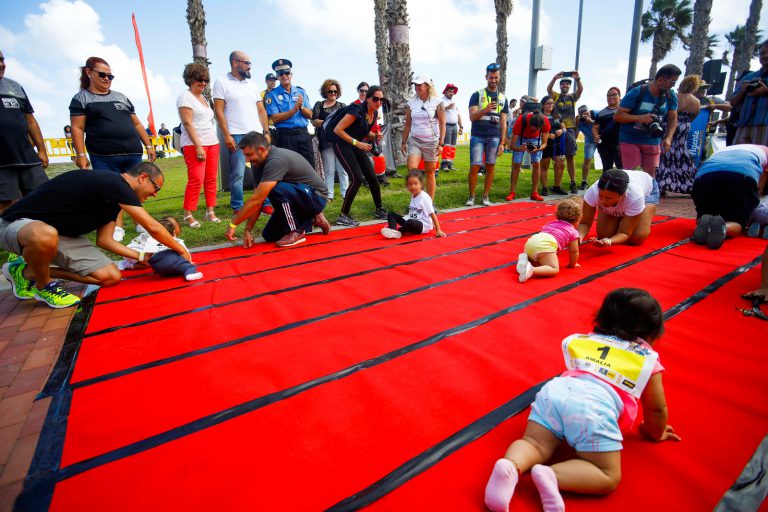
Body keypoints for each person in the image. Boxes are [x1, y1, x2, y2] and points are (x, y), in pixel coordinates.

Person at [484, 288, 679, 512]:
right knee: (606, 475)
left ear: (602, 318)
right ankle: (552, 475)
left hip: (556, 391)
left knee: (534, 443)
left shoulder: (590, 340)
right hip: (594, 408)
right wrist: (655, 432)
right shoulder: (646, 361)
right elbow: (657, 409)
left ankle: (510, 465)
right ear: (652, 334)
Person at [0, 162, 190, 308]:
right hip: (17, 225)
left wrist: (142, 256)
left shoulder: (114, 199)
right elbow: (152, 226)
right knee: (45, 233)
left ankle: (25, 272)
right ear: (142, 177)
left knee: (110, 277)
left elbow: (104, 240)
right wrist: (180, 249)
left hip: (59, 235)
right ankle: (44, 287)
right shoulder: (114, 183)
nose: (155, 195)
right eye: (156, 188)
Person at [69, 56, 155, 242]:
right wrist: (81, 154)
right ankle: (116, 226)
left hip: (132, 152)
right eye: (102, 74)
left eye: (110, 76)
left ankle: (141, 222)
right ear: (88, 72)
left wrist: (148, 145)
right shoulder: (81, 99)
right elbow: (77, 127)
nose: (107, 79)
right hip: (103, 155)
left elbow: (137, 123)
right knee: (110, 192)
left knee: (136, 189)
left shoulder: (121, 97)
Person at [225, 132, 330, 247]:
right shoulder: (258, 162)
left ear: (261, 149)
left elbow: (257, 199)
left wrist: (233, 224)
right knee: (270, 235)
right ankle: (312, 218)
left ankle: (296, 231)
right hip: (301, 197)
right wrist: (248, 230)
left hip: (317, 197)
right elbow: (257, 200)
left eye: (249, 155)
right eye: (245, 155)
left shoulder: (276, 160)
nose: (246, 160)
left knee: (275, 188)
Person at [212, 51, 271, 215]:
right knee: (237, 174)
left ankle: (265, 203)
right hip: (236, 135)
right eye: (246, 63)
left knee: (261, 172)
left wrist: (265, 131)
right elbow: (219, 111)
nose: (249, 66)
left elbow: (261, 110)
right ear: (235, 63)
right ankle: (238, 207)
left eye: (249, 63)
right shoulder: (221, 82)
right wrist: (226, 135)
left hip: (256, 134)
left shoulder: (252, 84)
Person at [329, 85, 389, 226]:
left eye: (382, 100)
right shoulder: (356, 110)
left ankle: (379, 209)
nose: (379, 102)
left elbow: (360, 130)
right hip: (341, 143)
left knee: (372, 177)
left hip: (355, 144)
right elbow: (338, 130)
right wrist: (357, 143)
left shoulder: (373, 114)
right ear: (367, 98)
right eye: (376, 99)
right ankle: (343, 215)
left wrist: (374, 135)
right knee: (357, 178)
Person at [691, 144, 768, 250]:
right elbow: (761, 184)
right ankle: (724, 228)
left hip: (703, 177)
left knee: (705, 214)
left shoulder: (725, 150)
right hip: (741, 175)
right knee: (736, 221)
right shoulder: (765, 152)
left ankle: (702, 224)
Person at [0, 50, 49, 216]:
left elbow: (30, 121)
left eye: (2, 60)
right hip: (2, 162)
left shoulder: (15, 87)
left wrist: (42, 150)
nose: (1, 64)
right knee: (7, 203)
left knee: (44, 195)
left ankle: (40, 236)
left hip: (27, 157)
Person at [614, 64, 680, 177]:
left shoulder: (671, 96)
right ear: (660, 80)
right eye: (672, 82)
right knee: (631, 174)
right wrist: (639, 118)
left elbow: (673, 118)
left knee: (650, 175)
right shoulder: (638, 92)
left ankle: (649, 194)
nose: (673, 86)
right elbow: (618, 116)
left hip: (653, 140)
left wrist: (669, 137)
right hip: (630, 138)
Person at [177, 62, 221, 228]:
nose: (203, 83)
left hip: (212, 142)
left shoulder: (203, 97)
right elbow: (187, 123)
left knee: (211, 179)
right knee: (196, 179)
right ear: (190, 79)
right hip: (194, 144)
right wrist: (198, 146)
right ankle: (188, 214)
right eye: (199, 80)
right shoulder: (185, 97)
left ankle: (210, 211)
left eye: (205, 80)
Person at [578, 168, 659, 248]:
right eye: (600, 196)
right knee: (604, 234)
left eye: (608, 198)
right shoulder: (593, 191)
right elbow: (584, 223)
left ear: (622, 195)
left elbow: (625, 233)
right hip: (626, 194)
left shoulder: (635, 196)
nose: (603, 201)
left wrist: (609, 241)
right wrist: (579, 237)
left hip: (648, 192)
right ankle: (617, 214)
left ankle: (623, 214)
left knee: (637, 237)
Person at [467, 63, 508, 207]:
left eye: (496, 77)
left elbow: (504, 122)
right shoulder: (477, 95)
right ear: (486, 77)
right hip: (478, 135)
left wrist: (503, 143)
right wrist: (485, 110)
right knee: (475, 166)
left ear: (499, 78)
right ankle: (471, 196)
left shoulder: (503, 98)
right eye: (491, 77)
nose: (494, 80)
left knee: (491, 166)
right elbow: (472, 117)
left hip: (494, 137)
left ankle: (485, 196)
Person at [118, 216, 202, 281]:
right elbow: (184, 251)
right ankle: (127, 265)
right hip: (132, 251)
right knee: (147, 264)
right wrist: (187, 263)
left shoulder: (154, 237)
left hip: (134, 251)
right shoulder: (154, 238)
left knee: (151, 261)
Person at [264, 58, 314, 168]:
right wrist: (293, 111)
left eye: (287, 73)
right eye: (281, 74)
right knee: (290, 169)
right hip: (286, 136)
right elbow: (275, 118)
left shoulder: (301, 91)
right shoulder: (272, 95)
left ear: (291, 74)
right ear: (277, 76)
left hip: (303, 134)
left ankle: (309, 186)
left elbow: (310, 115)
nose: (284, 76)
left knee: (309, 167)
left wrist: (301, 107)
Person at [516, 199, 581, 283]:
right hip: (545, 245)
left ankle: (525, 259)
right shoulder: (573, 232)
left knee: (540, 259)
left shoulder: (551, 223)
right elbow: (574, 251)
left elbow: (544, 234)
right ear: (577, 220)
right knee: (553, 268)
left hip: (531, 241)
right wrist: (572, 264)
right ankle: (531, 270)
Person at [656, 75, 701, 195]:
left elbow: (667, 113)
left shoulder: (675, 97)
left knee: (665, 153)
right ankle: (688, 184)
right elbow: (693, 117)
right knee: (680, 152)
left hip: (670, 124)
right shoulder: (696, 102)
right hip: (684, 126)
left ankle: (663, 183)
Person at [402, 75, 445, 200]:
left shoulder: (437, 102)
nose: (416, 87)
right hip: (415, 140)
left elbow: (442, 124)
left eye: (419, 85)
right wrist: (404, 142)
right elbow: (408, 124)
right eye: (415, 85)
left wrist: (441, 143)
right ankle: (418, 200)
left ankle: (429, 203)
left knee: (430, 172)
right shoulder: (411, 103)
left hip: (432, 142)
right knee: (412, 169)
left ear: (427, 86)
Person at [311, 79, 348, 202]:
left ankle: (346, 193)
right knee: (329, 169)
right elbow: (314, 121)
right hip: (325, 142)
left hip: (341, 141)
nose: (333, 93)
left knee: (343, 169)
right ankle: (329, 195)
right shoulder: (319, 105)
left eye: (335, 91)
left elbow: (348, 122)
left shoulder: (342, 106)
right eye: (330, 91)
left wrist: (328, 122)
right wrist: (332, 122)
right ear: (325, 92)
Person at [381, 171, 446, 239]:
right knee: (391, 214)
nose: (413, 186)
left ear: (421, 184)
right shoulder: (414, 195)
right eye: (410, 184)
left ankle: (400, 231)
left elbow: (432, 214)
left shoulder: (424, 197)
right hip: (410, 220)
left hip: (421, 225)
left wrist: (438, 230)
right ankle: (393, 231)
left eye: (415, 183)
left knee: (410, 223)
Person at [547, 71, 584, 193]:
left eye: (567, 84)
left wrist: (577, 78)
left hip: (569, 129)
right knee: (559, 158)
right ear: (560, 86)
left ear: (569, 86)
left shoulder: (572, 97)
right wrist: (554, 78)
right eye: (563, 84)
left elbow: (580, 91)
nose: (565, 86)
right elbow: (548, 89)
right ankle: (558, 184)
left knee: (570, 156)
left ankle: (573, 181)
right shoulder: (556, 96)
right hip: (556, 129)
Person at [730, 39, 768, 146]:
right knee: (739, 159)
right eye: (762, 53)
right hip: (743, 126)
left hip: (765, 126)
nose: (765, 56)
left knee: (762, 161)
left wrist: (765, 91)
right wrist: (742, 91)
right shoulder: (748, 77)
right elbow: (732, 102)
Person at [507, 109, 550, 201]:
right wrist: (520, 148)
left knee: (536, 163)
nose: (533, 130)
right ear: (530, 123)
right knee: (516, 164)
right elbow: (511, 146)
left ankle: (534, 192)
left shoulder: (545, 122)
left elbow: (545, 144)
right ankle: (512, 192)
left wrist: (537, 148)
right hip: (520, 138)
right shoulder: (520, 121)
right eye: (532, 128)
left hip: (535, 140)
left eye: (537, 129)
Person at [538, 96, 574, 196]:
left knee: (560, 165)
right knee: (544, 166)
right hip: (545, 144)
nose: (551, 105)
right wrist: (547, 135)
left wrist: (561, 130)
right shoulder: (539, 117)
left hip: (558, 144)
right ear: (543, 105)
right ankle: (544, 188)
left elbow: (565, 128)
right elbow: (535, 130)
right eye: (548, 103)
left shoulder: (557, 116)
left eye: (552, 103)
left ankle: (557, 187)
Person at [592, 87, 623, 171]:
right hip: (604, 145)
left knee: (622, 168)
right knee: (606, 168)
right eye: (609, 95)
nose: (611, 97)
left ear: (620, 97)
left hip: (620, 144)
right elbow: (595, 127)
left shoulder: (624, 111)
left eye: (614, 94)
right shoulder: (601, 113)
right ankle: (606, 184)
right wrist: (596, 136)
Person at [440, 84, 463, 171]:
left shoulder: (454, 102)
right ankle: (444, 164)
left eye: (453, 91)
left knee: (453, 146)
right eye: (450, 91)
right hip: (447, 125)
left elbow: (458, 115)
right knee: (446, 145)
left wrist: (461, 126)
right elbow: (439, 111)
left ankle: (450, 164)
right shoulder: (441, 100)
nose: (452, 93)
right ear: (445, 91)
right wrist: (447, 107)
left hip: (454, 126)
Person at [576, 105, 597, 190]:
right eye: (584, 115)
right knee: (587, 159)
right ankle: (584, 181)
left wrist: (591, 121)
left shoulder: (596, 113)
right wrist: (576, 123)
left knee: (606, 159)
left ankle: (607, 179)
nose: (586, 116)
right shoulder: (580, 121)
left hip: (601, 138)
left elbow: (604, 123)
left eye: (588, 114)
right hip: (590, 140)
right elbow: (575, 136)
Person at [261, 73, 278, 142]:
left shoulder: (279, 93)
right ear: (266, 81)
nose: (273, 82)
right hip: (268, 127)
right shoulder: (262, 94)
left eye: (274, 80)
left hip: (279, 126)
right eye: (271, 80)